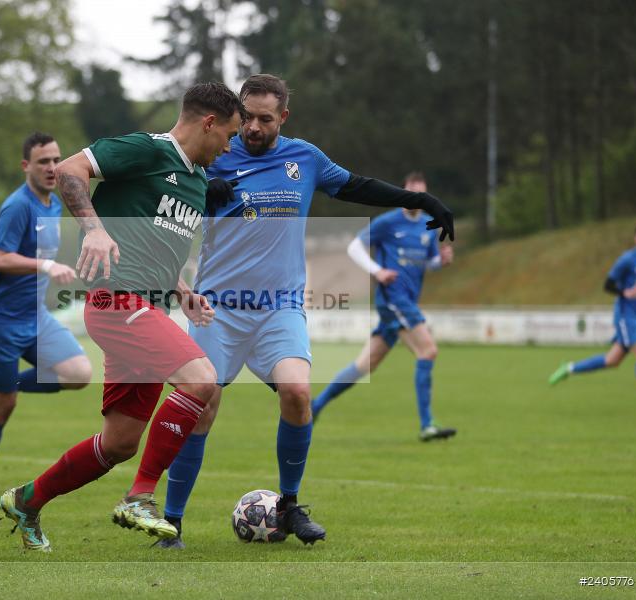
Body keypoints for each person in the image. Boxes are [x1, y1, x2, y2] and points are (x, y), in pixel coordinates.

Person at [158, 75, 456, 549]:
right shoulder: (213, 152)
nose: (253, 127)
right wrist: (201, 192)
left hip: (280, 307)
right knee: (203, 405)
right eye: (248, 116)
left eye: (265, 119)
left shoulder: (305, 158)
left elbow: (357, 186)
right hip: (219, 309)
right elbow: (166, 197)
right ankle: (171, 522)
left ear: (284, 119)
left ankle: (290, 506)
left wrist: (417, 200)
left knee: (297, 391)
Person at [0, 82, 244, 552]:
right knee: (201, 380)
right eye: (229, 134)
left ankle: (28, 499)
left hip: (148, 307)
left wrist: (184, 291)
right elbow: (71, 169)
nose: (229, 147)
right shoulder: (146, 150)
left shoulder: (194, 182)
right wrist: (91, 230)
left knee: (119, 444)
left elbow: (156, 247)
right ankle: (139, 497)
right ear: (208, 122)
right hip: (115, 302)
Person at [0, 132, 92, 492]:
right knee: (4, 407)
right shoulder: (17, 206)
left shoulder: (52, 203)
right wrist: (46, 267)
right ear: (26, 166)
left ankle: (4, 385)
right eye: (43, 162)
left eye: (55, 160)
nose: (52, 168)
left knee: (79, 373)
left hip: (35, 317)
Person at [311, 172, 457, 442]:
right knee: (428, 350)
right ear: (404, 192)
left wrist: (441, 262)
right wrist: (377, 271)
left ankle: (315, 406)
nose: (417, 199)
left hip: (407, 301)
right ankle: (427, 425)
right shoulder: (388, 222)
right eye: (413, 194)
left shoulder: (428, 224)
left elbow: (427, 263)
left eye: (421, 195)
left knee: (363, 365)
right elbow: (354, 247)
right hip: (393, 300)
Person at [548, 222, 636, 413]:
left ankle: (569, 368)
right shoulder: (627, 260)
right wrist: (624, 292)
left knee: (612, 360)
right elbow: (608, 285)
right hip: (624, 314)